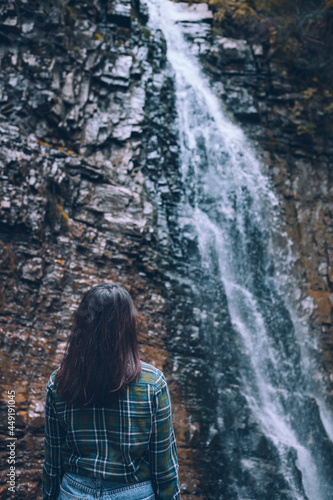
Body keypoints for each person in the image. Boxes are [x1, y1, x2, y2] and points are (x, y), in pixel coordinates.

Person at [43, 283, 180, 500]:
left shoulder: (59, 382)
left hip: (75, 493)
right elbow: (164, 467)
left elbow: (53, 461)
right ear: (127, 325)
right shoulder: (153, 383)